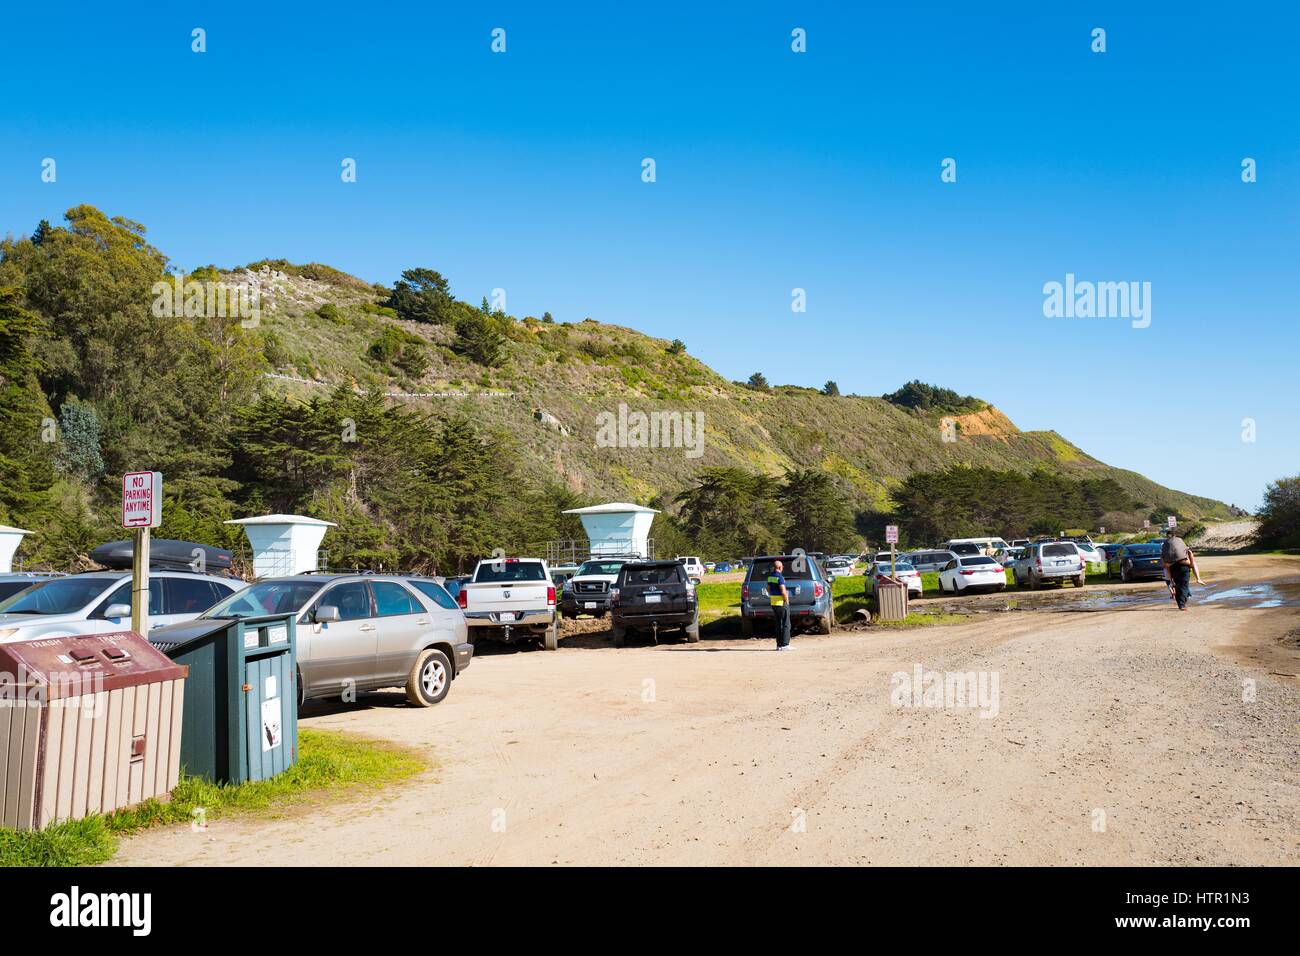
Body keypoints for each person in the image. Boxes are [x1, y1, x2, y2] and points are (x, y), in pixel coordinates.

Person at [1161, 529, 1204, 611]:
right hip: (1183, 564)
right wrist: (1191, 563)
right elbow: (1190, 553)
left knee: (1178, 585)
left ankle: (1181, 600)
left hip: (1171, 566)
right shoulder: (1180, 541)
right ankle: (1182, 604)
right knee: (1184, 584)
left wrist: (1166, 564)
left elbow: (1163, 557)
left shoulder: (1165, 544)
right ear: (1175, 535)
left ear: (1167, 536)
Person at [766, 559, 792, 650]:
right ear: (780, 567)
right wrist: (787, 601)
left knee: (778, 624)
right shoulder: (780, 577)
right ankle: (785, 644)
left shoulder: (770, 577)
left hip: (773, 603)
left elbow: (768, 589)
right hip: (781, 603)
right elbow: (783, 591)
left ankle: (779, 645)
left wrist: (773, 595)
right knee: (786, 623)